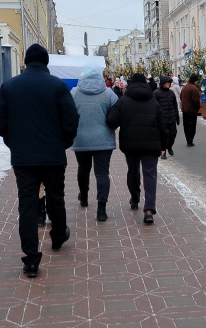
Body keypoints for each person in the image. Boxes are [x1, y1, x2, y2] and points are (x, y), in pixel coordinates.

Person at [0, 44, 79, 278]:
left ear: (26, 61)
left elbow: (0, 123)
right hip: (52, 156)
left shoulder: (10, 86)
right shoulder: (58, 86)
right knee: (56, 197)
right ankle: (59, 236)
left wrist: (15, 143)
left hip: (23, 159)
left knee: (27, 205)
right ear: (46, 62)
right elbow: (71, 120)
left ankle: (31, 259)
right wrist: (62, 144)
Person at [107, 73, 169, 224]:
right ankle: (149, 209)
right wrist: (163, 146)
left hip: (130, 144)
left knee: (133, 170)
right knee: (150, 175)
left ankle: (135, 198)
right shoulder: (153, 102)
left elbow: (111, 121)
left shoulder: (123, 101)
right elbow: (163, 125)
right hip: (151, 144)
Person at [70, 64, 118, 221]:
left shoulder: (74, 92)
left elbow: (67, 112)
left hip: (81, 139)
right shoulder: (109, 93)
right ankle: (101, 209)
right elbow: (118, 112)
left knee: (83, 168)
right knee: (102, 173)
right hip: (104, 140)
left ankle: (83, 196)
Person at [153, 75, 180, 159]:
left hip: (171, 117)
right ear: (163, 83)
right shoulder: (156, 93)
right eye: (168, 83)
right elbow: (154, 107)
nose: (169, 84)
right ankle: (163, 151)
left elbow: (175, 105)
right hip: (162, 119)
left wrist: (177, 116)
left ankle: (169, 146)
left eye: (170, 83)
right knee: (163, 136)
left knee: (173, 133)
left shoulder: (171, 93)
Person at [180, 74, 201, 147]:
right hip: (192, 110)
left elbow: (181, 97)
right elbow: (196, 100)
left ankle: (187, 139)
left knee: (186, 125)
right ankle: (190, 140)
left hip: (185, 109)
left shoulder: (184, 87)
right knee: (192, 126)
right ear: (195, 81)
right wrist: (197, 108)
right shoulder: (194, 88)